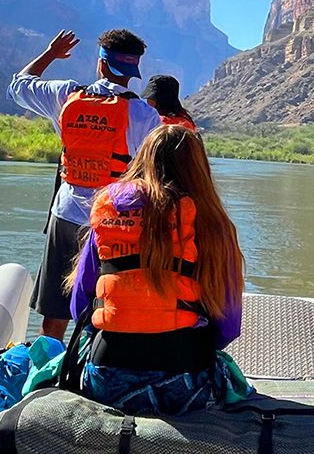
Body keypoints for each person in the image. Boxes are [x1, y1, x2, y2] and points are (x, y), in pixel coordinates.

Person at [66, 124, 246, 415]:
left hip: (106, 374)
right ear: (198, 170)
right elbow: (228, 326)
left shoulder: (109, 212)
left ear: (142, 158)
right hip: (183, 378)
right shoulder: (214, 226)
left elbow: (79, 307)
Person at [8, 28, 164, 339]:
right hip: (113, 223)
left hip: (65, 215)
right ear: (134, 70)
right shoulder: (144, 115)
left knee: (55, 310)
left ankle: (46, 368)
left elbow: (17, 86)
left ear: (101, 64)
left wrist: (52, 54)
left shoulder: (66, 95)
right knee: (105, 304)